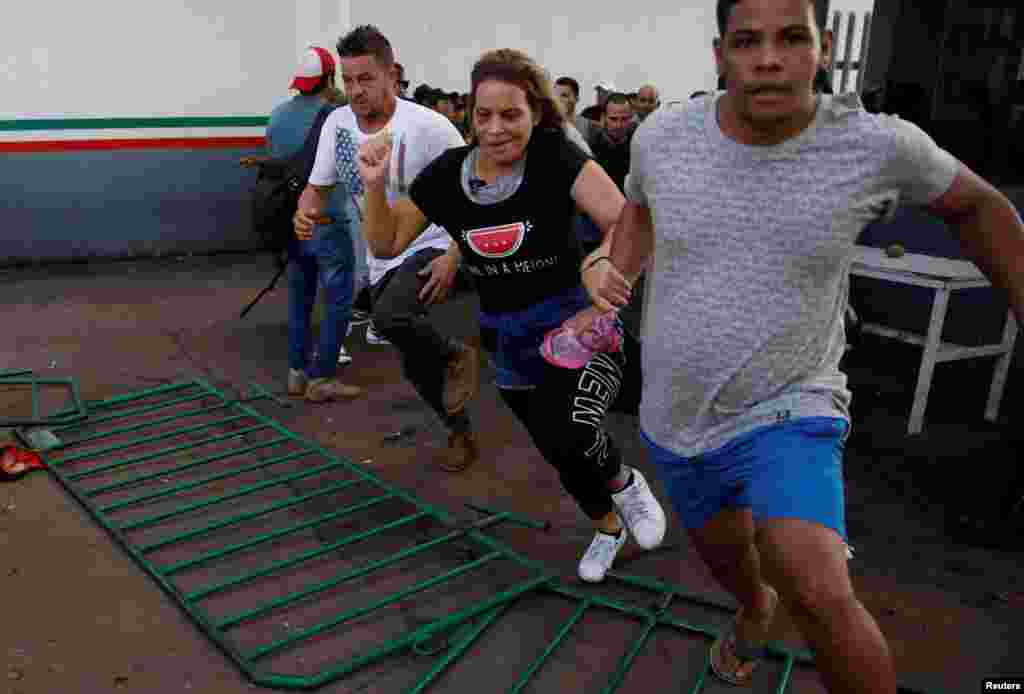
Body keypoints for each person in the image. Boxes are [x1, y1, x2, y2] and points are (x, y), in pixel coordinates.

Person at [582, 0, 1024, 690]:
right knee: (737, 567)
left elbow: (978, 206)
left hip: (794, 403)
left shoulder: (875, 145)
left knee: (814, 583)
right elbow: (640, 208)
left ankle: (785, 601)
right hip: (679, 415)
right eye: (747, 40)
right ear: (719, 52)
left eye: (792, 37)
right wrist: (619, 269)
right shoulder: (662, 136)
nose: (768, 58)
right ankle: (756, 611)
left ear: (822, 48)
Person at [355, 48, 667, 583]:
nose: (496, 129)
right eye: (483, 115)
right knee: (556, 450)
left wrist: (597, 262)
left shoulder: (554, 156)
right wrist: (374, 183)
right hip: (506, 337)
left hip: (575, 326)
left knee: (571, 429)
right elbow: (385, 243)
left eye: (511, 115)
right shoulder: (449, 175)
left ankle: (623, 481)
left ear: (536, 114)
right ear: (470, 116)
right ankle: (607, 528)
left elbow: (626, 221)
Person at [295, 25, 481, 473]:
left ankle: (459, 354)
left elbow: (471, 194)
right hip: (382, 252)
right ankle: (460, 432)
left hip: (431, 241)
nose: (355, 90)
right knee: (415, 364)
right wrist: (303, 211)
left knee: (390, 317)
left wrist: (454, 254)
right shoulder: (338, 124)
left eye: (366, 79)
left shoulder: (430, 127)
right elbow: (317, 187)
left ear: (391, 76)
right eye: (349, 80)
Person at [267, 46, 362, 403]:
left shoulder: (277, 116)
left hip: (292, 220)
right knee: (337, 298)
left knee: (299, 298)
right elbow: (351, 172)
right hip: (328, 217)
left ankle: (296, 373)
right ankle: (322, 377)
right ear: (329, 77)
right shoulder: (339, 115)